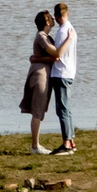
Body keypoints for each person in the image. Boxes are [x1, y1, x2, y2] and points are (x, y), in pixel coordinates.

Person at [21, 10, 58, 153]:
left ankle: (36, 144)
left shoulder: (46, 36)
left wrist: (37, 58)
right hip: (39, 75)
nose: (54, 19)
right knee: (37, 110)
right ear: (47, 22)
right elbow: (55, 54)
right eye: (51, 18)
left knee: (40, 109)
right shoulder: (42, 36)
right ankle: (35, 146)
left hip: (44, 74)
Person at [47, 1, 78, 154]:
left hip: (61, 74)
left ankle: (66, 143)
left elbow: (57, 55)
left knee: (63, 109)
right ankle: (70, 140)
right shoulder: (71, 29)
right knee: (66, 108)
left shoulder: (62, 31)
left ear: (57, 16)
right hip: (69, 72)